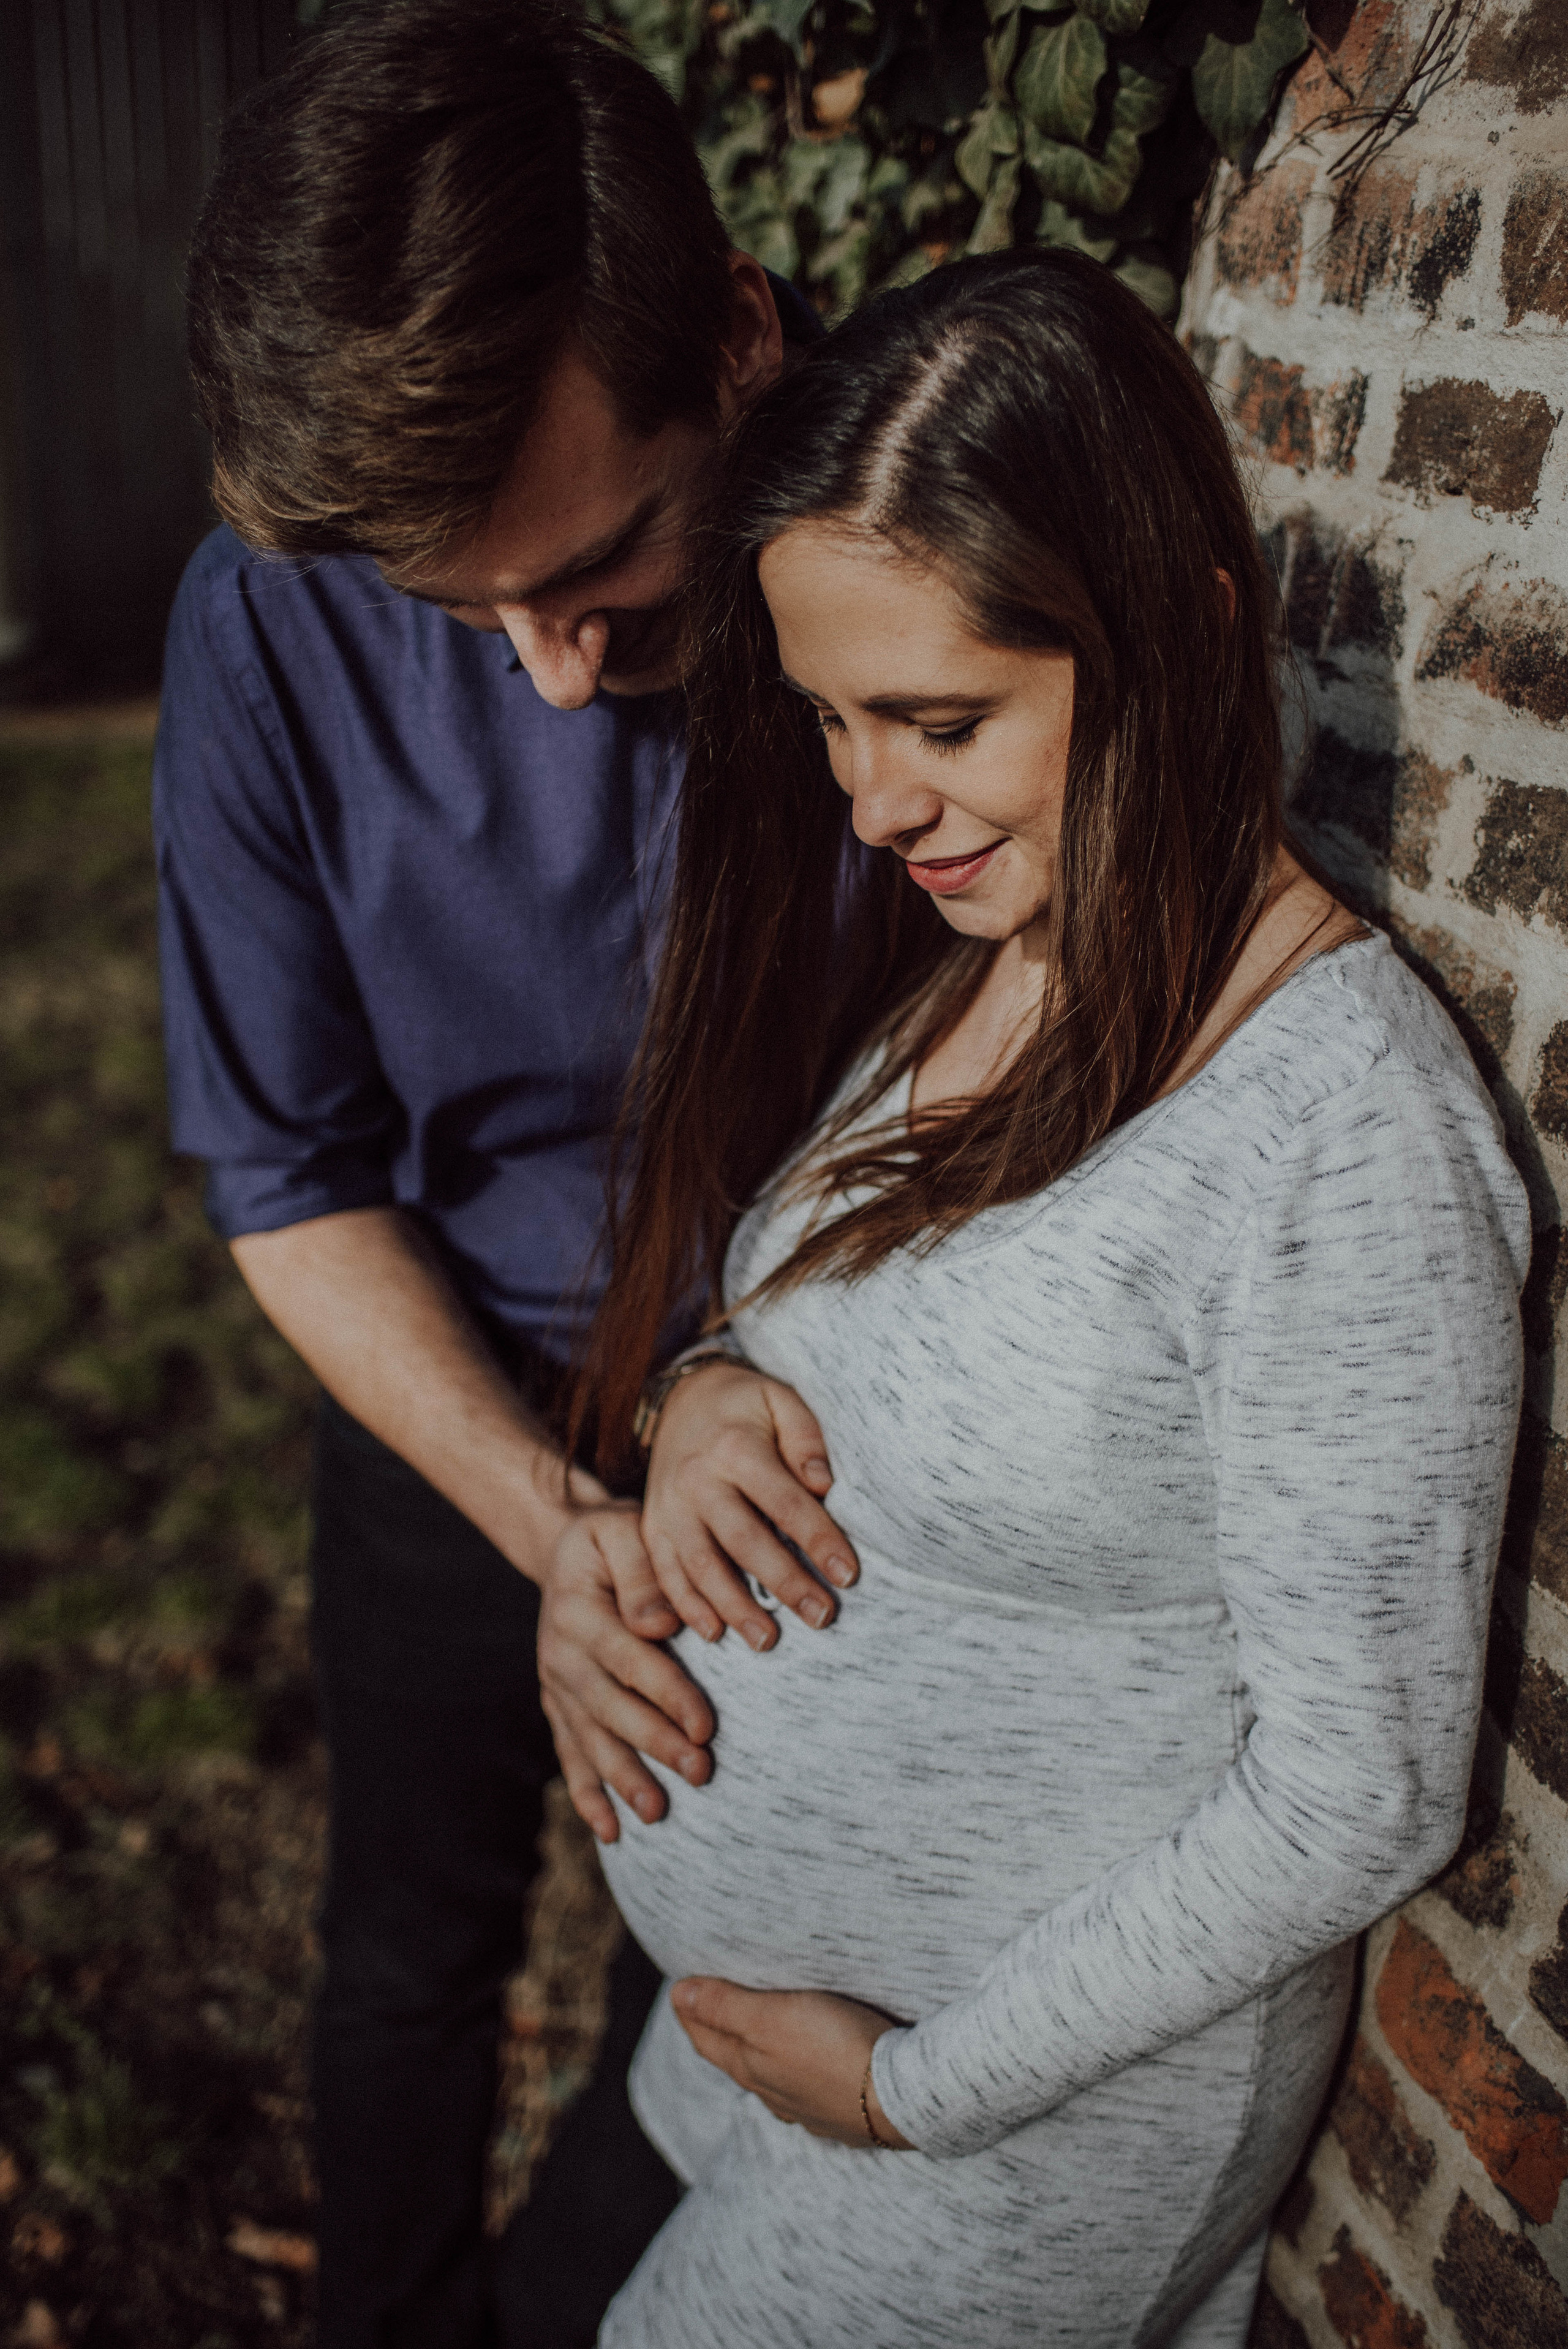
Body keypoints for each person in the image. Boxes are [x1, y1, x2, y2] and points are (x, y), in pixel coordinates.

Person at [576, 249, 1531, 2347]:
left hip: (1009, 2129)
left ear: (1172, 629)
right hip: (771, 2039)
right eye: (833, 719)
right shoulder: (1004, 955)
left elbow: (1358, 1787)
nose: (871, 800)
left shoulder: (1343, 1135)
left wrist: (916, 2090)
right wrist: (709, 1387)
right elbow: (858, 1312)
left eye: (938, 721)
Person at [156, 4, 832, 2342]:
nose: (550, 677)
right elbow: (284, 1176)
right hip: (454, 1403)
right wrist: (551, 1524)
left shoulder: (919, 524)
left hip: (816, 1422)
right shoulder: (270, 618)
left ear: (743, 343)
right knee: (409, 1946)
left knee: (746, 1961)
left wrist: (745, 1380)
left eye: (613, 566)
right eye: (470, 618)